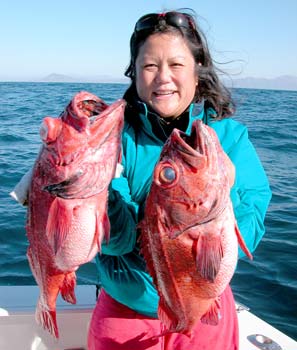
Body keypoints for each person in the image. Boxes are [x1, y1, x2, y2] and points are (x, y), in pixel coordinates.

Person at [87, 9, 272, 350]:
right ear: (135, 75)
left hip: (205, 310)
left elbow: (253, 219)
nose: (163, 78)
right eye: (150, 66)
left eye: (176, 65)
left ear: (197, 72)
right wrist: (96, 184)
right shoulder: (111, 138)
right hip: (125, 315)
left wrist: (222, 201)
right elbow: (117, 242)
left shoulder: (228, 138)